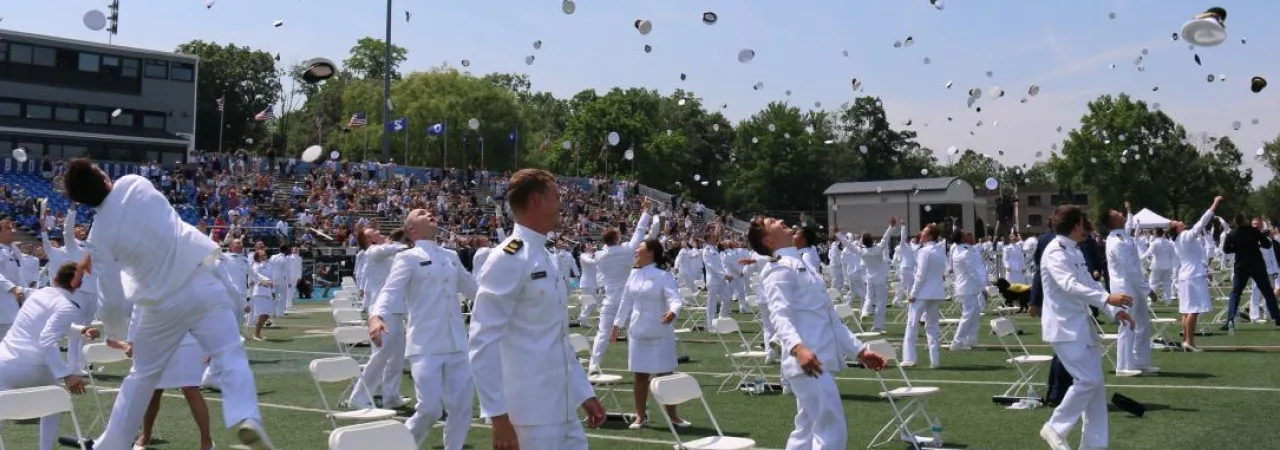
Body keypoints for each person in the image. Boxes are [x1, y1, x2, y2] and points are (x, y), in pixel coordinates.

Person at [58, 158, 274, 450]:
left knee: (141, 377)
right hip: (201, 280)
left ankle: (109, 446)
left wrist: (115, 333)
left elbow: (110, 296)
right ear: (104, 178)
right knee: (230, 354)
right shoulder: (134, 183)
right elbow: (140, 223)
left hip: (160, 304)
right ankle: (247, 417)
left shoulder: (99, 236)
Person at [468, 168, 606, 450]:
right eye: (556, 197)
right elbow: (483, 341)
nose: (561, 205)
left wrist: (583, 393)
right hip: (529, 414)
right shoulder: (509, 257)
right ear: (537, 200)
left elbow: (558, 339)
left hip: (563, 406)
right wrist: (498, 416)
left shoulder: (544, 254)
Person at [747, 215, 886, 449]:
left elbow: (831, 320)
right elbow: (780, 316)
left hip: (816, 360)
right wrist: (798, 348)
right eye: (772, 222)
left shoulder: (801, 263)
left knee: (806, 432)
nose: (781, 220)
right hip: (807, 362)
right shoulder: (778, 268)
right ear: (769, 241)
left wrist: (860, 351)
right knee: (831, 428)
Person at [370, 209, 477, 449]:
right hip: (425, 344)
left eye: (430, 211)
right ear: (411, 229)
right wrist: (376, 316)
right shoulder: (408, 257)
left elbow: (474, 289)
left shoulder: (450, 255)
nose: (429, 213)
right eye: (421, 213)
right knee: (429, 409)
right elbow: (389, 291)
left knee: (462, 407)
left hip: (457, 343)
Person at [1039, 204, 1134, 450]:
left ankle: (1094, 446)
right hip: (1064, 328)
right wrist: (1106, 299)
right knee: (1088, 381)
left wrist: (1115, 310)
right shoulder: (1055, 251)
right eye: (1083, 222)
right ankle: (1055, 427)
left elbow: (1091, 286)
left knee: (1096, 391)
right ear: (1076, 224)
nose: (1087, 227)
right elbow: (1069, 284)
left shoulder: (1074, 251)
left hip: (1081, 327)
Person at [0, 263, 92, 450]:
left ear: (55, 280)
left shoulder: (38, 294)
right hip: (36, 368)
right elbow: (48, 339)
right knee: (55, 403)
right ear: (79, 285)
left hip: (4, 364)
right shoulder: (68, 306)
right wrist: (67, 375)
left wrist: (80, 330)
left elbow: (49, 324)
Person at [609, 237, 689, 430]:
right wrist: (616, 325)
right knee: (640, 376)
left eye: (640, 248)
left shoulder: (663, 276)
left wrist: (673, 312)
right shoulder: (633, 275)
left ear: (651, 252)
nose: (636, 251)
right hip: (638, 331)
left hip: (660, 331)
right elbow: (625, 302)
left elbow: (675, 299)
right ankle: (639, 416)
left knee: (666, 375)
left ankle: (673, 416)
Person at [586, 198, 657, 373]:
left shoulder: (600, 256)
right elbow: (639, 232)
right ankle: (644, 363)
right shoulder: (626, 250)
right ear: (617, 238)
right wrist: (646, 212)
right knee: (637, 332)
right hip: (629, 300)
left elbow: (602, 251)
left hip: (611, 300)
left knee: (603, 334)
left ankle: (593, 366)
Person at [349, 228, 410, 409]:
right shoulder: (373, 251)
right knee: (380, 356)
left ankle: (391, 396)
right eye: (374, 231)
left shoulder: (384, 253)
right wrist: (410, 244)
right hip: (382, 311)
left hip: (396, 310)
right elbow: (391, 249)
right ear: (369, 239)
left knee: (396, 357)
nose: (379, 231)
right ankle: (358, 397)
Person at [1102, 203, 1156, 377]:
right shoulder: (1117, 241)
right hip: (1124, 288)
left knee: (1142, 324)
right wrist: (1148, 289)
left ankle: (1141, 361)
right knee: (1127, 325)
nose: (1121, 213)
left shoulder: (1123, 236)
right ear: (1113, 220)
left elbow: (1129, 224)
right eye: (1117, 212)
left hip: (1134, 286)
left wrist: (1129, 211)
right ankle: (1123, 365)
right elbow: (1131, 269)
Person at [1170, 196, 1221, 351]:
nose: (1180, 222)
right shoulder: (1185, 236)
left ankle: (1187, 340)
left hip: (1185, 275)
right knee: (1193, 310)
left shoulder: (1178, 240)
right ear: (1176, 228)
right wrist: (1214, 204)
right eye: (1177, 222)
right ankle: (1189, 342)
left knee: (1186, 310)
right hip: (1193, 275)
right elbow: (1202, 222)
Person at [1222, 212, 1280, 330]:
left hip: (1241, 266)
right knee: (1268, 292)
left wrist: (1238, 248)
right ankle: (1277, 318)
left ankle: (1230, 320)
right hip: (1257, 265)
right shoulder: (1253, 231)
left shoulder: (1232, 234)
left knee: (1236, 293)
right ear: (1245, 220)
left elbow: (1226, 249)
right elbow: (1268, 244)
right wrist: (1257, 243)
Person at [904, 223, 946, 368]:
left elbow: (920, 275)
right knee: (932, 327)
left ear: (929, 235)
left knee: (912, 324)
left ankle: (910, 358)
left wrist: (913, 293)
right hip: (935, 292)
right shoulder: (940, 250)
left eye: (923, 232)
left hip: (922, 293)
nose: (920, 234)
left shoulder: (924, 251)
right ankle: (935, 361)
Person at [949, 227, 985, 350]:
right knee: (968, 314)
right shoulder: (964, 251)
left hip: (969, 286)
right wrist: (982, 286)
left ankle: (971, 340)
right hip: (967, 287)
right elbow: (972, 271)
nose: (969, 234)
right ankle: (956, 342)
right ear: (962, 238)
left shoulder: (964, 249)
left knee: (975, 313)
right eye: (966, 233)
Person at [0, 219, 29, 340]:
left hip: (12, 305)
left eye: (13, 227)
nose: (13, 230)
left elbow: (18, 277)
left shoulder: (12, 251)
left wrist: (27, 291)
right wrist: (13, 288)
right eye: (8, 228)